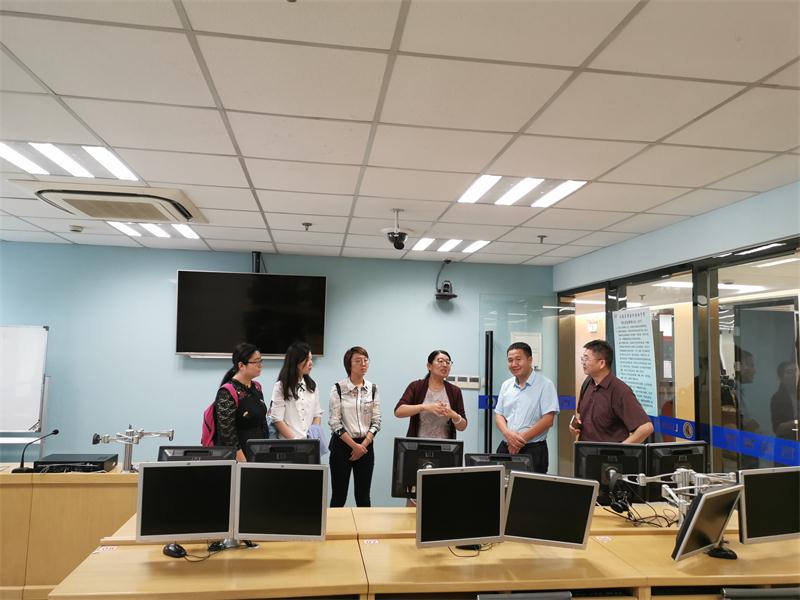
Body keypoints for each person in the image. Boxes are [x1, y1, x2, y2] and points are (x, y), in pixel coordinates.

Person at [570, 339, 653, 443]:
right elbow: (581, 415)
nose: (583, 363)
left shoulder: (620, 391)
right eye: (582, 358)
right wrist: (576, 426)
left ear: (601, 363)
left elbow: (646, 427)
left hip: (607, 453)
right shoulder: (588, 383)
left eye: (586, 359)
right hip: (584, 450)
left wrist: (621, 450)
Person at [328, 346, 382, 507]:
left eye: (365, 360)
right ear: (349, 364)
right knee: (339, 496)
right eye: (358, 361)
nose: (363, 364)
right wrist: (354, 446)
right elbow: (335, 422)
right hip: (342, 445)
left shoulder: (372, 388)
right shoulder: (338, 388)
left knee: (363, 497)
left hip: (366, 446)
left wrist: (363, 445)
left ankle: (365, 526)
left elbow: (377, 421)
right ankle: (334, 525)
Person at [494, 342, 559, 473]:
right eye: (510, 360)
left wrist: (519, 441)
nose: (514, 364)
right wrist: (508, 434)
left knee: (530, 486)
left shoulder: (545, 385)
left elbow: (548, 420)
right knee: (501, 484)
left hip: (533, 449)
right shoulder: (506, 385)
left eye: (518, 359)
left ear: (530, 360)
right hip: (506, 446)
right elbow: (499, 414)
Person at [395, 350, 467, 439]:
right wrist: (425, 407)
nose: (445, 365)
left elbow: (462, 427)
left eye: (448, 362)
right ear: (429, 366)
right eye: (440, 361)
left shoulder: (455, 391)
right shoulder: (416, 386)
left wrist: (453, 415)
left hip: (445, 445)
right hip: (418, 444)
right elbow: (398, 411)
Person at [214, 342, 267, 462]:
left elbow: (262, 422)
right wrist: (242, 461)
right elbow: (227, 433)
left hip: (258, 453)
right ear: (241, 365)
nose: (260, 365)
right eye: (256, 362)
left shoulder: (257, 387)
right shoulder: (227, 392)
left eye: (261, 361)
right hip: (239, 457)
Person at [270, 341, 322, 441]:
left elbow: (317, 415)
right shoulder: (281, 386)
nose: (311, 363)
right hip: (288, 444)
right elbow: (277, 419)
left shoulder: (312, 386)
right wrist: (296, 441)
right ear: (296, 361)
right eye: (307, 360)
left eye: (311, 359)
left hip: (310, 443)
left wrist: (312, 438)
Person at [770, 360, 798, 440]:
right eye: (790, 372)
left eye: (796, 371)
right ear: (781, 378)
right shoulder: (777, 398)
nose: (794, 374)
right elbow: (778, 428)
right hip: (788, 442)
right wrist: (796, 422)